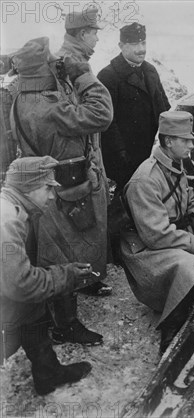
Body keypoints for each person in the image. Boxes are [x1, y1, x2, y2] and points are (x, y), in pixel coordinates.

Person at [10, 37, 113, 346]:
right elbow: (101, 114)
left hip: (46, 183)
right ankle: (66, 326)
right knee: (63, 254)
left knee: (56, 251)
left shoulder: (22, 97)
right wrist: (83, 74)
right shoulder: (48, 104)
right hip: (63, 186)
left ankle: (63, 319)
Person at [120, 111, 194, 354]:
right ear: (168, 142)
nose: (191, 145)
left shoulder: (174, 166)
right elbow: (156, 235)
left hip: (169, 234)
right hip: (146, 249)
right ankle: (171, 332)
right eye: (185, 140)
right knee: (189, 264)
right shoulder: (145, 180)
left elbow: (192, 200)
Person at [1, 156, 95, 395]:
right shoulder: (7, 220)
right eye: (47, 188)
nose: (53, 196)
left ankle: (48, 373)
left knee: (33, 308)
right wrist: (67, 275)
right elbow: (21, 284)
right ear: (29, 188)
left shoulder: (18, 208)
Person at [57, 7, 112, 297]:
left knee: (88, 217)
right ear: (81, 34)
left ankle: (88, 276)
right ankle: (87, 279)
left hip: (87, 149)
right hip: (83, 152)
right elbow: (90, 112)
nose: (97, 39)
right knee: (87, 218)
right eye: (93, 33)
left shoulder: (71, 58)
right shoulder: (73, 61)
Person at [98, 23, 171, 191]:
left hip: (151, 154)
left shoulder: (150, 71)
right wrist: (121, 154)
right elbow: (108, 122)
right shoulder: (108, 76)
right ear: (121, 46)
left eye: (143, 43)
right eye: (134, 45)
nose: (141, 49)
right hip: (123, 159)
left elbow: (164, 108)